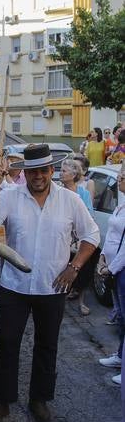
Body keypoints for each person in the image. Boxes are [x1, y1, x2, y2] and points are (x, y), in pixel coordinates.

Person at [0, 144, 100, 422]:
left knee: (47, 345)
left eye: (44, 170)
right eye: (33, 170)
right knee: (8, 343)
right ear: (26, 172)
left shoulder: (70, 201)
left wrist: (74, 268)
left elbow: (92, 235)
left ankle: (39, 399)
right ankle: (0, 401)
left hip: (52, 288)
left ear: (52, 171)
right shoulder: (10, 196)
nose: (39, 175)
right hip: (15, 285)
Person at [97, 164, 125, 389]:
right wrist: (103, 258)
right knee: (121, 318)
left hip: (121, 269)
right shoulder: (120, 205)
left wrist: (112, 268)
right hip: (115, 267)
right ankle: (120, 356)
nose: (120, 180)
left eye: (123, 177)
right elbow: (113, 239)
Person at [60, 158, 95, 316]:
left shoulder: (83, 193)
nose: (61, 174)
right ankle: (60, 295)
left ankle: (81, 302)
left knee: (81, 269)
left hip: (79, 238)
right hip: (64, 237)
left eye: (64, 171)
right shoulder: (58, 191)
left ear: (73, 174)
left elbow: (89, 215)